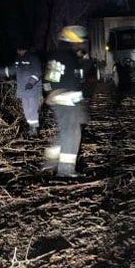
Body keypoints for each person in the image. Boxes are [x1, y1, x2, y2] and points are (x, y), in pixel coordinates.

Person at [43, 25, 89, 178]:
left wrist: (50, 94)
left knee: (65, 132)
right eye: (80, 42)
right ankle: (66, 171)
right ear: (73, 40)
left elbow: (49, 80)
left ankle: (50, 163)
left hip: (60, 101)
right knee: (72, 134)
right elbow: (74, 82)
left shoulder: (58, 55)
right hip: (68, 101)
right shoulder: (69, 57)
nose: (81, 44)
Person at [0, 42, 43, 136]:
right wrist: (1, 72)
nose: (18, 51)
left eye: (20, 49)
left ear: (25, 49)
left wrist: (31, 82)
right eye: (18, 50)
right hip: (23, 89)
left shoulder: (33, 57)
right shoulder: (18, 59)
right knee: (26, 110)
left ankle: (34, 129)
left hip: (33, 90)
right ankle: (31, 127)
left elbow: (37, 72)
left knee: (32, 109)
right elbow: (13, 69)